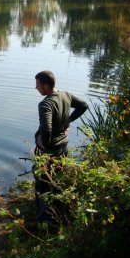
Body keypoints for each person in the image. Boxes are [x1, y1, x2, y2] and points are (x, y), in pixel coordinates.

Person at [33, 70, 88, 223]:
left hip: (50, 151)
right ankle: (59, 215)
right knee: (58, 182)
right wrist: (68, 120)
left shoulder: (46, 104)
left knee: (43, 184)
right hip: (63, 148)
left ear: (46, 85)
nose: (36, 88)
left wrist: (44, 145)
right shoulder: (66, 96)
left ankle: (45, 221)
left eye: (38, 85)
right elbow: (84, 105)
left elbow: (47, 129)